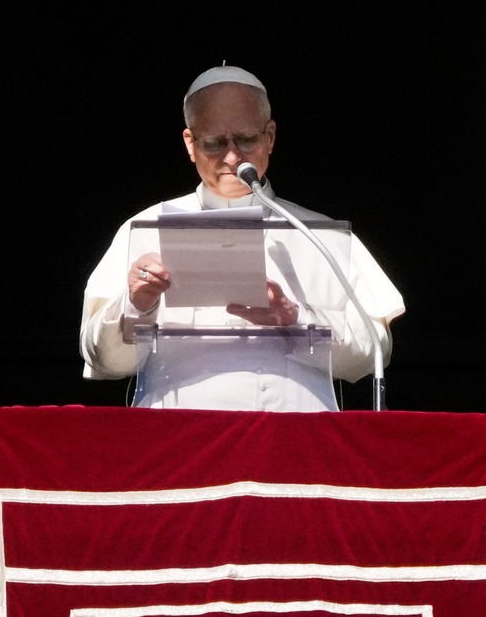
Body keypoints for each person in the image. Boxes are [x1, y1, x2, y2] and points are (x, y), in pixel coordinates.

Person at [79, 65, 404, 411]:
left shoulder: (319, 234)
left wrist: (298, 321)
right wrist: (137, 305)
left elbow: (373, 352)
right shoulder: (143, 229)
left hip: (295, 447)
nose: (232, 157)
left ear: (270, 137)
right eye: (214, 143)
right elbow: (103, 361)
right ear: (190, 143)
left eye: (246, 140)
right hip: (179, 446)